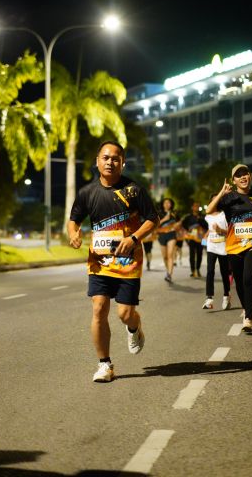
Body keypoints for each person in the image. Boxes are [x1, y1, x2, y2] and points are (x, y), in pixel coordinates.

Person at [68, 141, 159, 383]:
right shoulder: (87, 192)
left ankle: (134, 327)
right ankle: (104, 364)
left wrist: (133, 238)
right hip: (99, 262)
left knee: (125, 314)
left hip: (128, 262)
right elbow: (74, 219)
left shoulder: (133, 190)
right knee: (99, 308)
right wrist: (73, 233)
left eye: (115, 158)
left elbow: (153, 219)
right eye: (106, 158)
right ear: (97, 161)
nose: (110, 162)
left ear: (122, 163)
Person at [206, 164, 252, 333]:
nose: (243, 177)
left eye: (245, 174)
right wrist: (222, 192)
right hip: (233, 245)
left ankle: (248, 317)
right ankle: (246, 307)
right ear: (234, 180)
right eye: (238, 175)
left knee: (248, 278)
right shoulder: (229, 198)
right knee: (240, 282)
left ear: (250, 177)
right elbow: (209, 210)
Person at [202, 194, 231, 310]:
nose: (215, 202)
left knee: (224, 272)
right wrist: (205, 236)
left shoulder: (224, 215)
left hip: (223, 247)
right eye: (213, 200)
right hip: (211, 247)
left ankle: (226, 296)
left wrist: (220, 230)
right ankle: (209, 298)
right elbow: (209, 229)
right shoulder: (207, 216)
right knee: (210, 271)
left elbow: (230, 231)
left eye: (217, 200)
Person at [157, 197, 181, 283]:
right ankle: (168, 271)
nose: (167, 204)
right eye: (165, 203)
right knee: (165, 257)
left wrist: (177, 225)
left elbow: (179, 222)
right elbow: (155, 224)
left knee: (170, 255)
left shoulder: (174, 213)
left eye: (169, 203)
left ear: (171, 204)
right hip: (162, 235)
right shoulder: (159, 213)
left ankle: (169, 274)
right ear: (162, 204)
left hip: (172, 235)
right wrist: (165, 219)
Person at [182, 202, 208, 277]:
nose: (196, 207)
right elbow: (183, 224)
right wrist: (188, 230)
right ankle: (193, 270)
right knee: (192, 254)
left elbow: (207, 226)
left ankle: (198, 269)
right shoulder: (188, 217)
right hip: (191, 238)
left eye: (198, 206)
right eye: (195, 206)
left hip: (202, 238)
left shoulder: (203, 216)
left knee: (200, 254)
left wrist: (200, 220)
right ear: (192, 207)